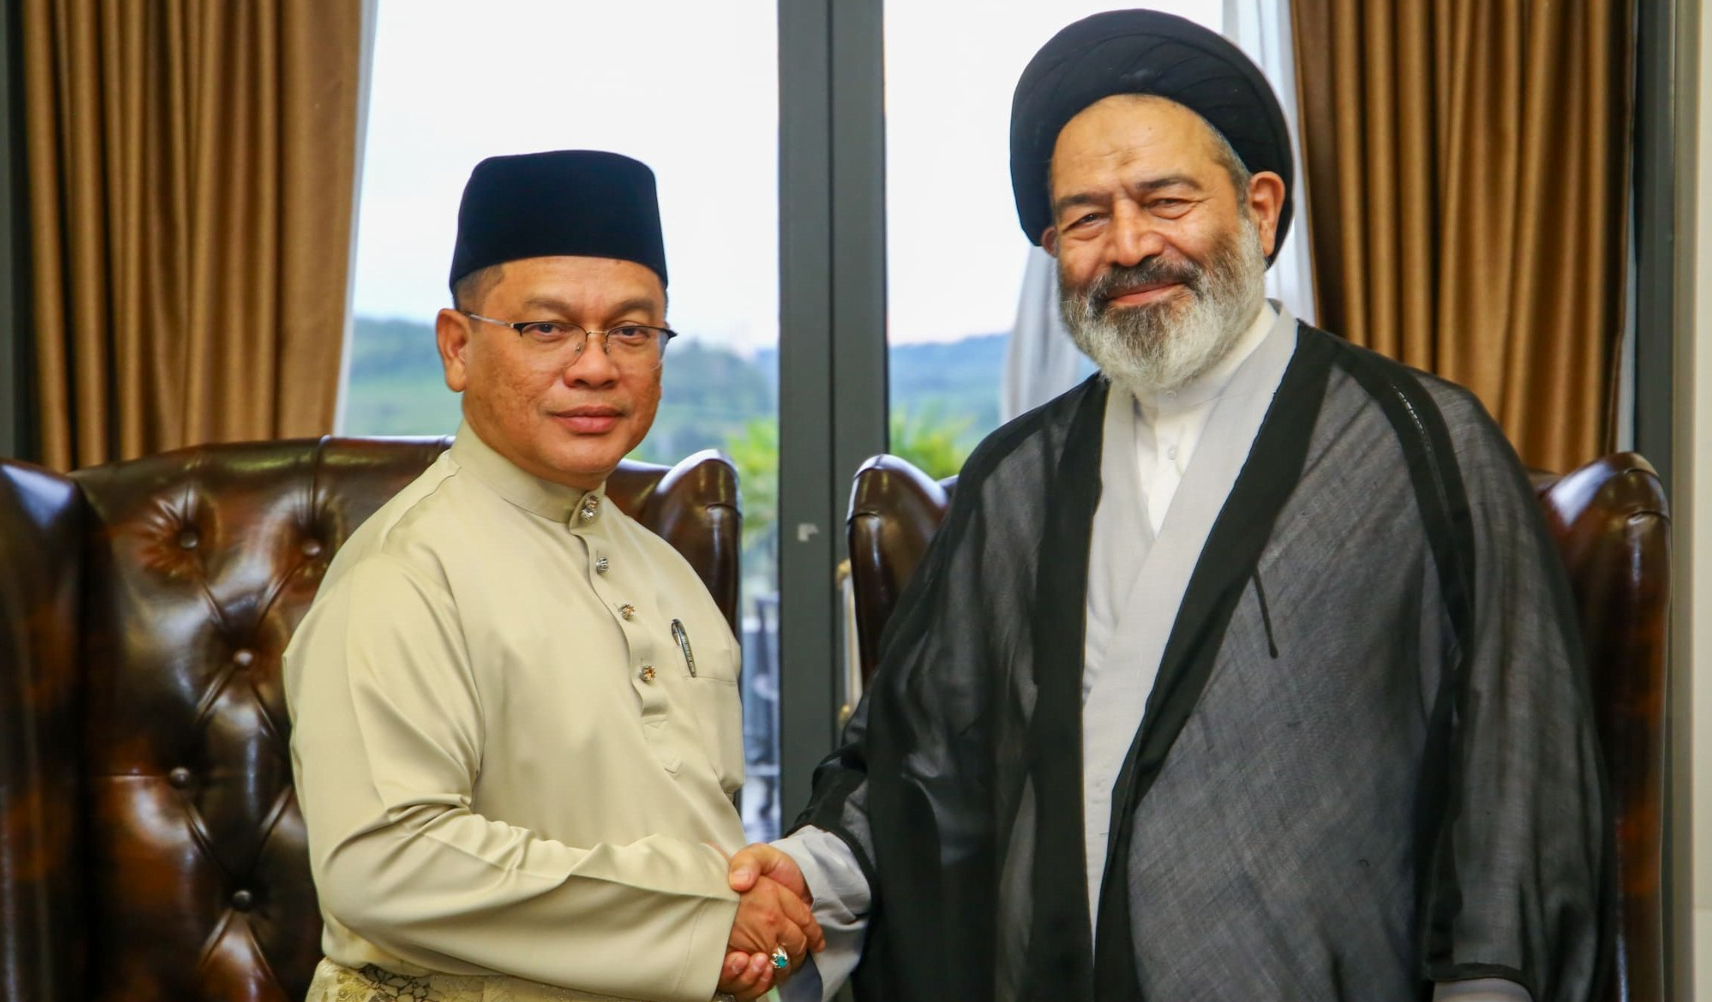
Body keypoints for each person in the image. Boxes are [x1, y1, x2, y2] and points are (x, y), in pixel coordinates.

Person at [726, 11, 1605, 1002]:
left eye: (1164, 199)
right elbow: (917, 763)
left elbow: (1515, 779)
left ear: (1261, 210)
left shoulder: (1420, 445)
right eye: (1085, 218)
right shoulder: (1015, 479)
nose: (1129, 245)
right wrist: (807, 872)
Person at [285, 150, 821, 1002]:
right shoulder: (404, 575)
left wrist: (749, 899)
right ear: (458, 348)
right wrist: (699, 916)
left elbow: (698, 834)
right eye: (546, 329)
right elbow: (384, 864)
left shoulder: (668, 574)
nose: (596, 366)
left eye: (632, 331)